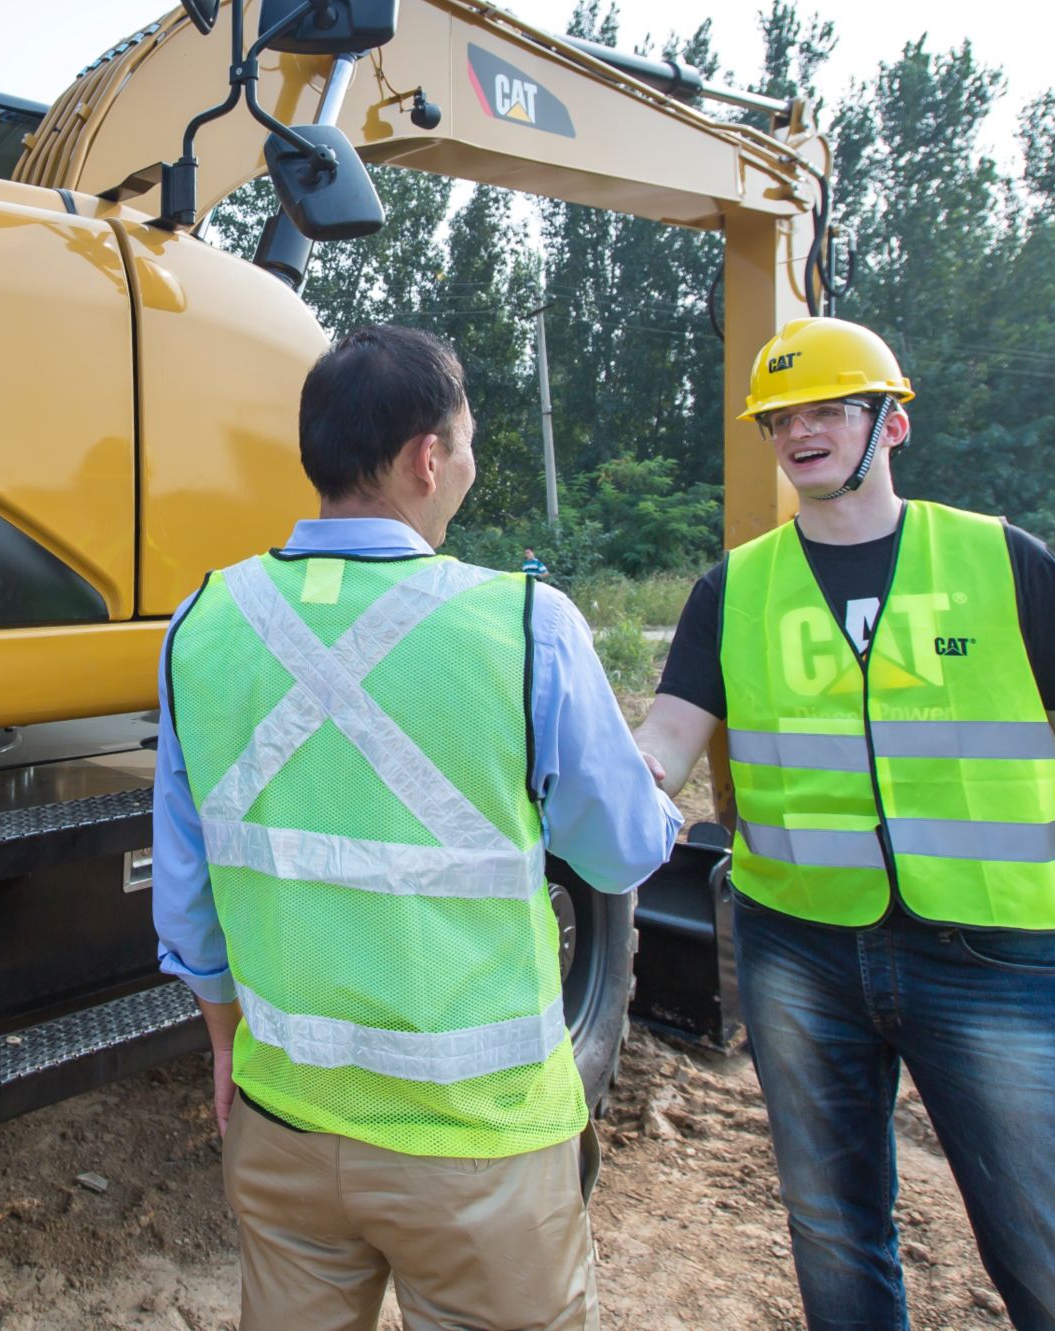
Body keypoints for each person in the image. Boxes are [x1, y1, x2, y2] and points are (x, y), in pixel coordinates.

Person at [632, 316, 1055, 1331]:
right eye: (779, 418)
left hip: (990, 956)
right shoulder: (731, 588)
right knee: (835, 1239)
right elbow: (662, 741)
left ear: (892, 423)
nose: (800, 433)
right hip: (799, 947)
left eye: (828, 408)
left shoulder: (999, 560)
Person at [153, 324, 680, 1331]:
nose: (470, 464)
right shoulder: (525, 623)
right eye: (469, 441)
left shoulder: (202, 620)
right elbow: (619, 848)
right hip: (482, 1148)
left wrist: (225, 1045)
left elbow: (188, 892)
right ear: (424, 458)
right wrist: (648, 791)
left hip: (283, 1130)